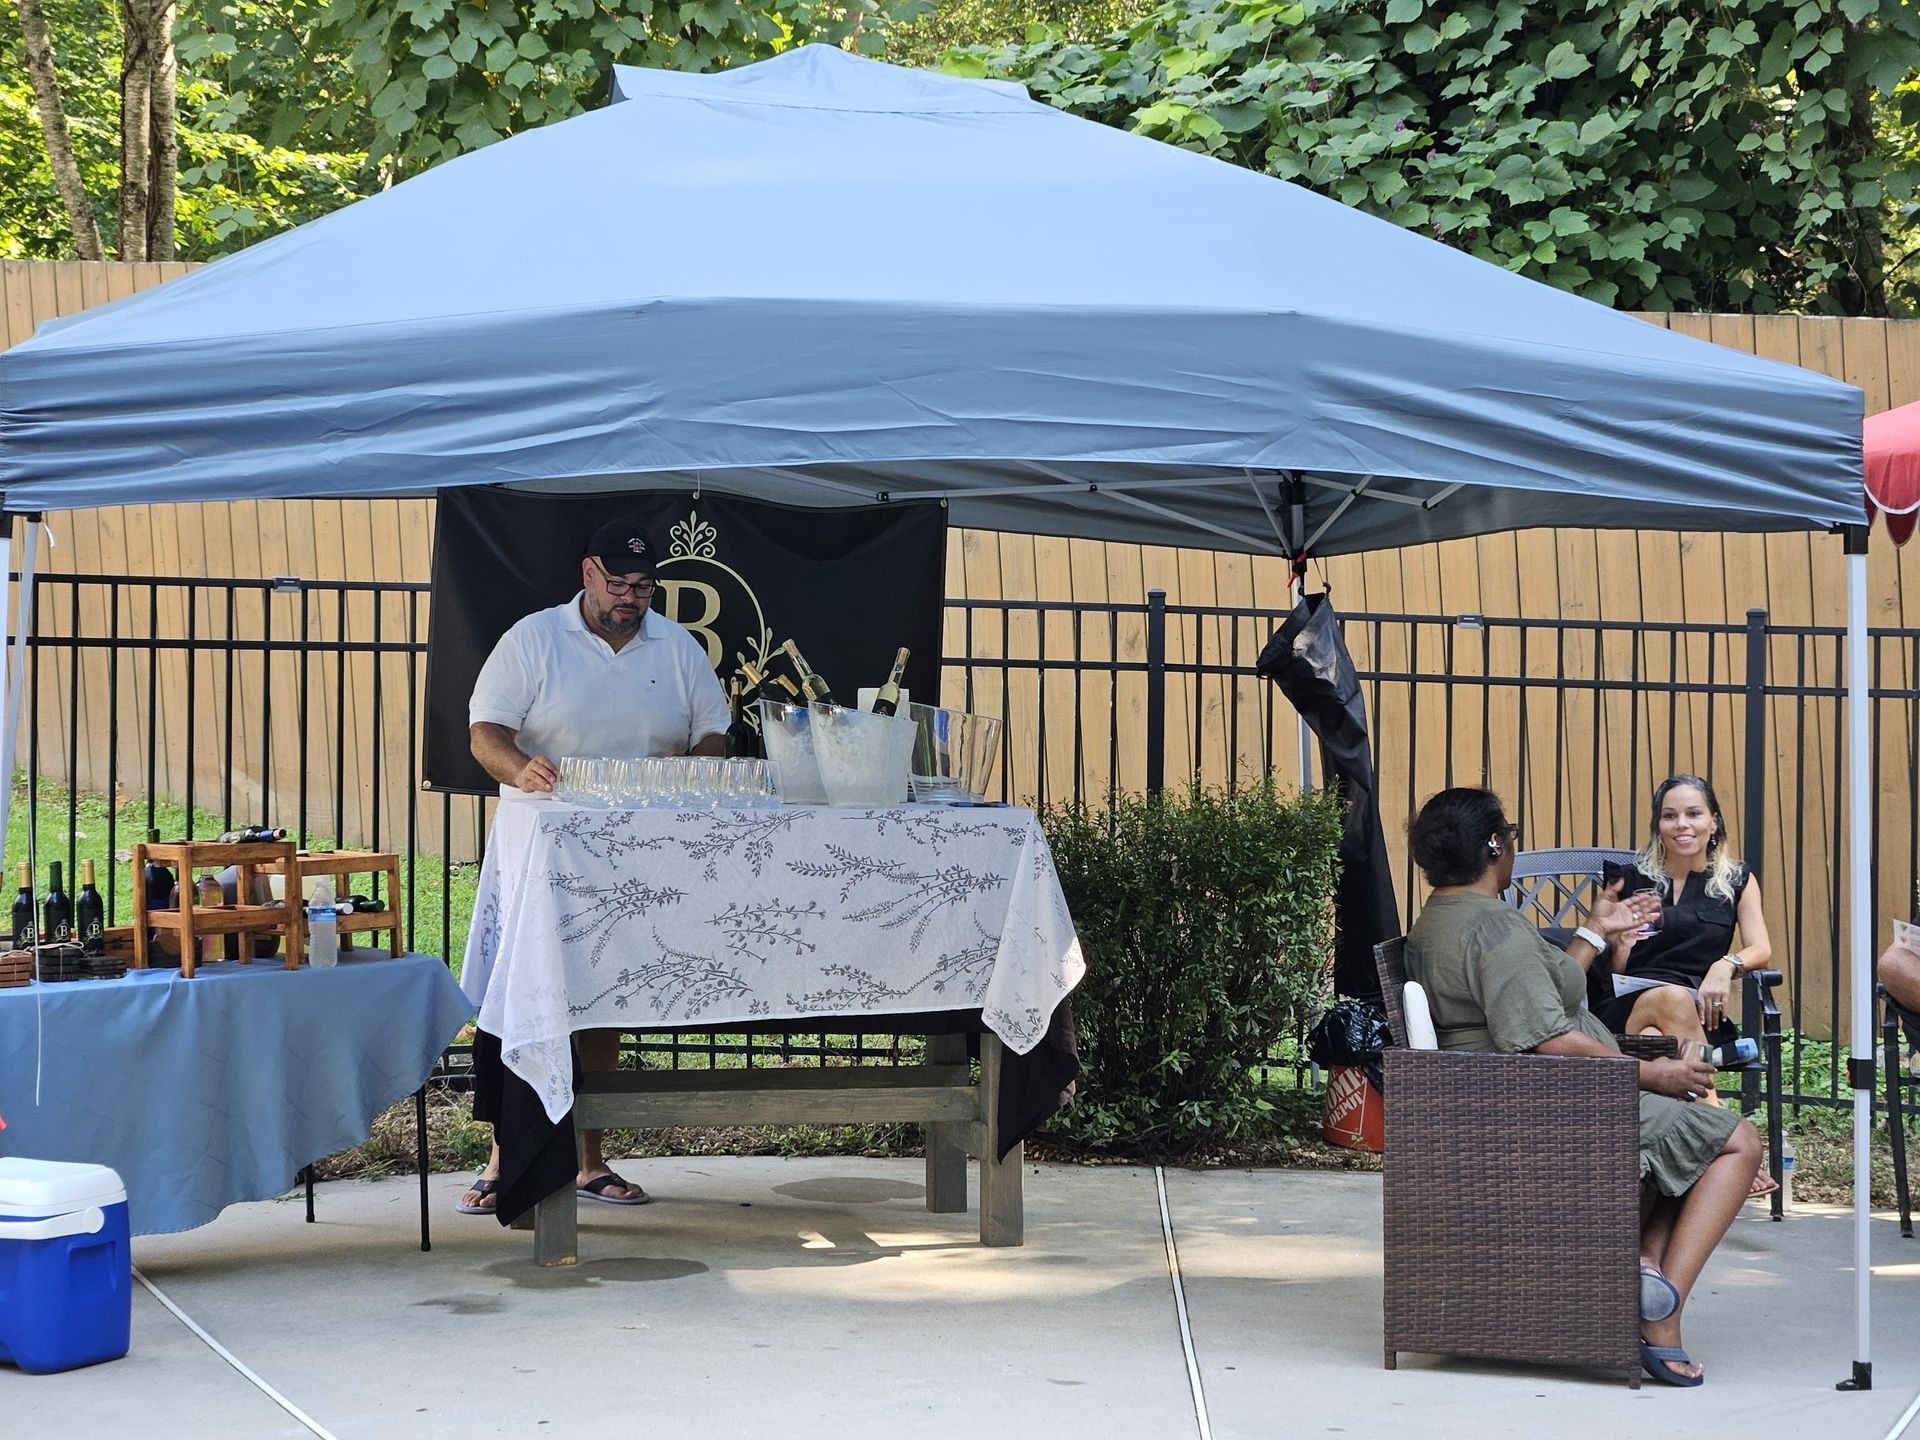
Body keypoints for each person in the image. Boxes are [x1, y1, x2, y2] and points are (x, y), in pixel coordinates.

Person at [1403, 787, 1761, 1387]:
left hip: (1511, 1095)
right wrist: (1651, 1073)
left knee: (1697, 1127)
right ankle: (1661, 1320)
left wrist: (1594, 930)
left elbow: (1548, 991)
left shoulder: (1449, 919)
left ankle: (1647, 1266)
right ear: (1495, 846)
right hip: (1540, 1108)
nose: (1513, 847)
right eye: (1509, 836)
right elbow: (1550, 1042)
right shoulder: (1493, 931)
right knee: (1738, 1142)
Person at [457, 517, 730, 1216]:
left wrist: (693, 769)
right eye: (617, 584)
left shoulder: (678, 647)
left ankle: (589, 1161)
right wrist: (523, 771)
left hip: (641, 858)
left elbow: (714, 735)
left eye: (642, 587)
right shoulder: (535, 638)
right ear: (587, 573)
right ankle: (504, 1157)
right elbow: (485, 732)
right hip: (543, 850)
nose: (630, 599)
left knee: (601, 997)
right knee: (521, 996)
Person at [1590, 774, 1776, 1196]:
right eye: (1670, 816)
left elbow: (1760, 948)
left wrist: (1725, 966)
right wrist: (1619, 946)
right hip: (1623, 1008)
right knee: (1669, 999)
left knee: (1665, 1033)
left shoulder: (1737, 880)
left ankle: (1671, 1173)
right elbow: (1598, 962)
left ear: (1714, 822)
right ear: (1658, 825)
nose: (1682, 824)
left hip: (1697, 1015)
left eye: (1694, 813)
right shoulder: (1628, 878)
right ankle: (1726, 1136)